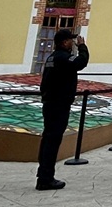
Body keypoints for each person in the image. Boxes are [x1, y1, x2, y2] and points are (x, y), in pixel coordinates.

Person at [37, 30, 89, 190]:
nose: (72, 44)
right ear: (64, 42)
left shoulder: (52, 58)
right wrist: (83, 47)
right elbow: (81, 63)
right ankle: (46, 178)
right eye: (70, 41)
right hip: (58, 103)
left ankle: (44, 174)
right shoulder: (62, 57)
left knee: (48, 138)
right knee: (52, 139)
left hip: (51, 102)